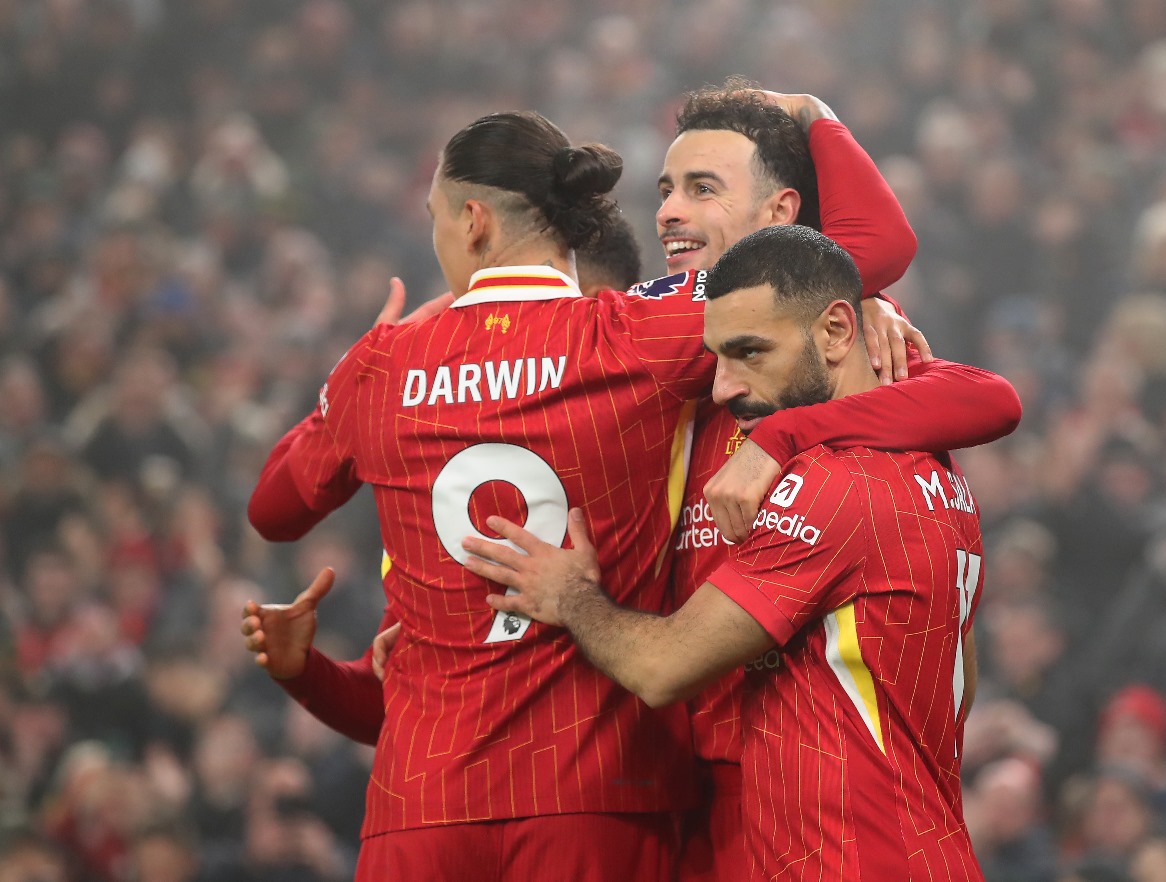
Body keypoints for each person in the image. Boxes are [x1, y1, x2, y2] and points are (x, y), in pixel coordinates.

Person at [245, 84, 1022, 880]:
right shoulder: (649, 334)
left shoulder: (833, 349)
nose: (670, 213)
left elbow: (988, 396)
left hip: (800, 784)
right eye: (665, 191)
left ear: (785, 219)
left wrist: (791, 428)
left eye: (702, 189)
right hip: (666, 783)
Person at [248, 109, 716, 880]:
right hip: (596, 792)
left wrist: (351, 370)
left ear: (472, 222)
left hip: (421, 803)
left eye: (434, 218)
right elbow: (827, 279)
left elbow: (273, 509)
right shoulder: (638, 335)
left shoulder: (384, 366)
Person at [462, 225, 988, 881]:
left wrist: (570, 594)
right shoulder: (936, 469)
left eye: (750, 353)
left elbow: (663, 668)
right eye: (717, 359)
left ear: (835, 332)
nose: (723, 388)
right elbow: (959, 677)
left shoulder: (833, 485)